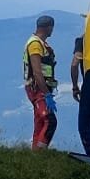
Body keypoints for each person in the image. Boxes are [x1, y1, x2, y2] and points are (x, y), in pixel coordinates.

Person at [24, 13, 59, 149]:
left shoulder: (41, 43)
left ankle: (34, 154)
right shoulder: (35, 44)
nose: (52, 30)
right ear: (47, 27)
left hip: (39, 87)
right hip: (38, 88)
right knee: (50, 121)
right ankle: (40, 152)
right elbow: (37, 72)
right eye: (51, 27)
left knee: (40, 121)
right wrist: (47, 94)